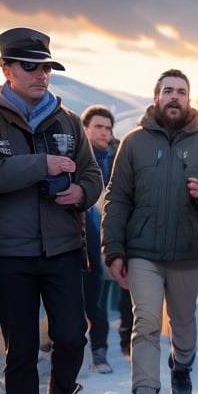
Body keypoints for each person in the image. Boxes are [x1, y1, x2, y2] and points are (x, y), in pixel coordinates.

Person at [0, 27, 103, 394]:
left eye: (47, 67)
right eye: (31, 66)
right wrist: (43, 165)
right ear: (6, 69)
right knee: (19, 350)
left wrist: (81, 191)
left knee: (72, 336)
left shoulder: (68, 120)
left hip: (61, 248)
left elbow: (94, 175)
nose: (42, 75)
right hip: (8, 253)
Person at [102, 68, 198, 394]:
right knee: (147, 324)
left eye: (181, 92)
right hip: (143, 253)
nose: (175, 97)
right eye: (168, 91)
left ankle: (181, 366)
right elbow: (117, 198)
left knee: (184, 324)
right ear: (156, 97)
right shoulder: (135, 143)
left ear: (189, 100)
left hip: (189, 253)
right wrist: (114, 249)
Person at [80, 105, 117, 374]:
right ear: (85, 128)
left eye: (107, 127)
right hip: (79, 238)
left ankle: (99, 351)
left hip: (106, 240)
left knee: (97, 299)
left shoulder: (115, 159)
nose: (104, 132)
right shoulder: (78, 157)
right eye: (98, 127)